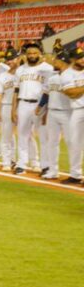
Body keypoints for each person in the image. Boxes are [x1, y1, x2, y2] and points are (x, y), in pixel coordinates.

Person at [12, 43, 52, 175]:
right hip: (23, 103)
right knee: (23, 135)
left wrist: (46, 108)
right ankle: (21, 164)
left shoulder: (47, 68)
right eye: (29, 53)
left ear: (40, 54)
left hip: (39, 105)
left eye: (34, 53)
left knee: (43, 136)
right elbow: (16, 90)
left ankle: (46, 165)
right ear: (25, 55)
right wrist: (14, 109)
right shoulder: (20, 70)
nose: (32, 56)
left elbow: (50, 91)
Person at [37, 51, 71, 180]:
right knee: (52, 142)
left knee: (72, 142)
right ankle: (53, 170)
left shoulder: (72, 77)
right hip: (52, 112)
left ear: (63, 62)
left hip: (68, 112)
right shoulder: (52, 78)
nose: (54, 62)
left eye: (56, 60)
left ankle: (76, 173)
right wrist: (41, 108)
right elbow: (46, 94)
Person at [0, 52, 21, 171]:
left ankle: (32, 162)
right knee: (6, 135)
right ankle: (7, 161)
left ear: (19, 59)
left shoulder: (23, 73)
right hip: (6, 105)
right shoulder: (3, 76)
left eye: (12, 59)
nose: (9, 62)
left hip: (22, 105)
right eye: (8, 60)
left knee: (27, 136)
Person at [60, 47, 84, 184]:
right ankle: (75, 174)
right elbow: (71, 92)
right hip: (78, 110)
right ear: (73, 59)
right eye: (80, 57)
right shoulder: (67, 74)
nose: (82, 59)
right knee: (74, 143)